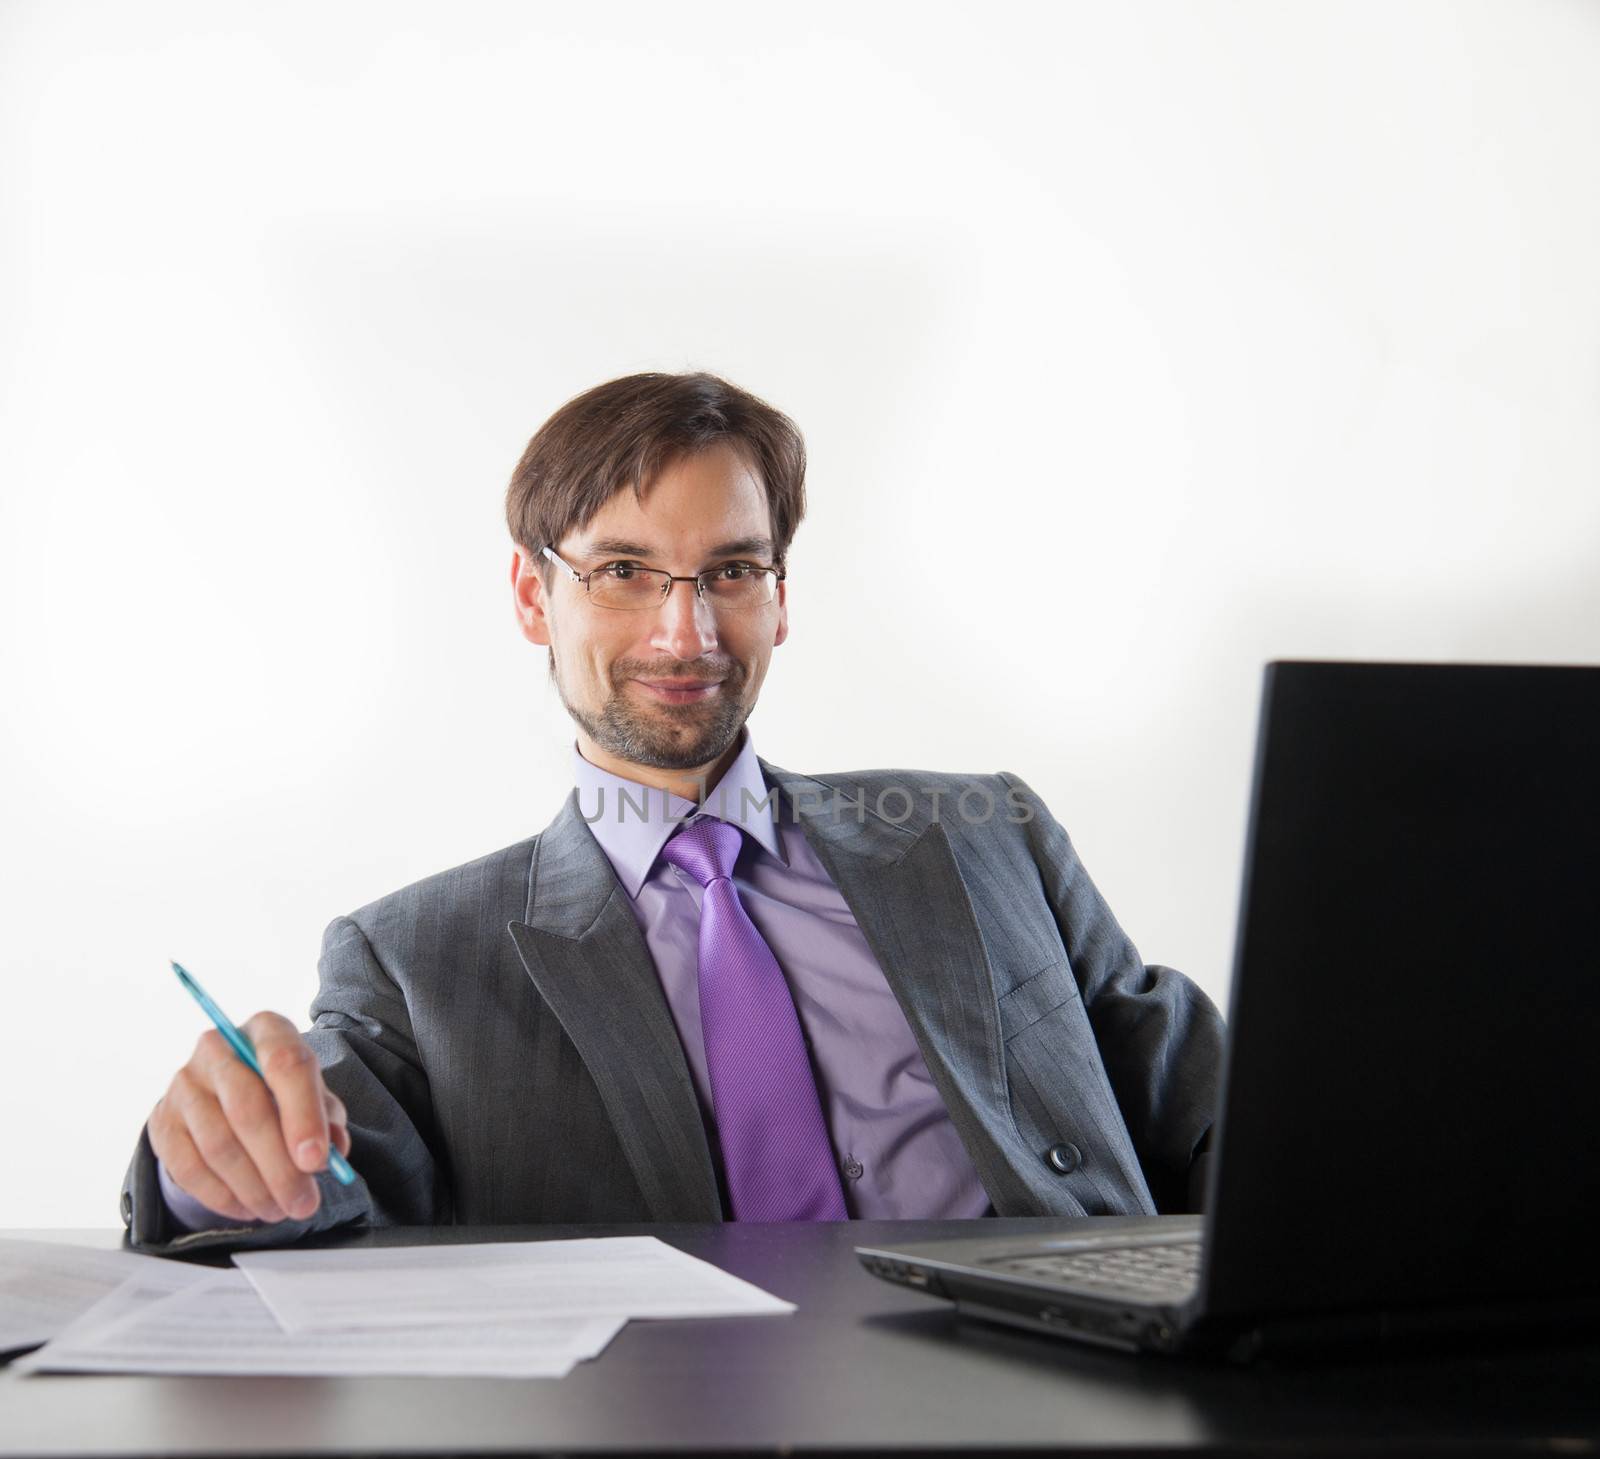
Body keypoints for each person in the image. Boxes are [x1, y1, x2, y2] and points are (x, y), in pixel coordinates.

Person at [123, 372, 1223, 1251]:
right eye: (623, 572)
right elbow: (327, 1180)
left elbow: (1208, 1109)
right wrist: (223, 1162)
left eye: (731, 570)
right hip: (681, 1458)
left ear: (780, 596)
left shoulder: (985, 832)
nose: (684, 634)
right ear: (529, 596)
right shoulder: (418, 957)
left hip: (1072, 1408)